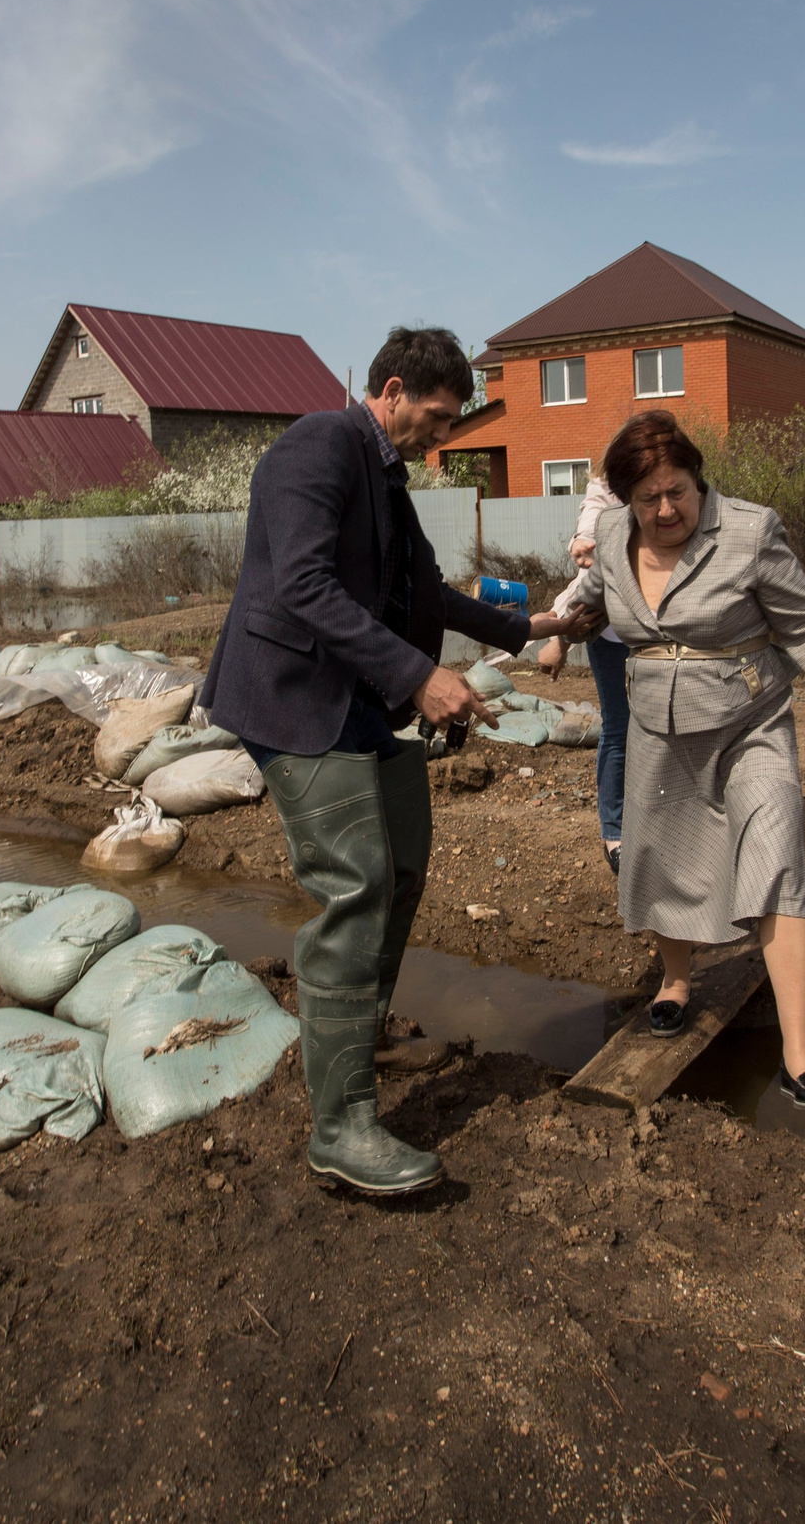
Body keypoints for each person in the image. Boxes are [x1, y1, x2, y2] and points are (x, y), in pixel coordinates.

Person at [200, 326, 584, 1195]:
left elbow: (425, 592)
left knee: (403, 861)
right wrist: (420, 677)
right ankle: (340, 1127)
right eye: (437, 418)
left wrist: (528, 628)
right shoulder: (318, 446)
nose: (442, 437)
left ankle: (358, 1035)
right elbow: (302, 585)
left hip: (354, 699)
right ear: (395, 389)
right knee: (357, 885)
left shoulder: (386, 476)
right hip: (294, 699)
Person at [556, 410, 805, 1112]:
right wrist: (554, 632)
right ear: (624, 499)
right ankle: (676, 981)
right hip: (657, 725)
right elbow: (590, 595)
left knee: (777, 857)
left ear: (697, 480)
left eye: (676, 491)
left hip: (748, 723)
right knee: (663, 856)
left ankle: (799, 1053)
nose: (664, 510)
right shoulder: (611, 536)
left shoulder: (749, 531)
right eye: (648, 498)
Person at [534, 473, 629, 871]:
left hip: (660, 630)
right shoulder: (605, 487)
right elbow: (589, 563)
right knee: (619, 726)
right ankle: (615, 831)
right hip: (610, 633)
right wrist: (560, 634)